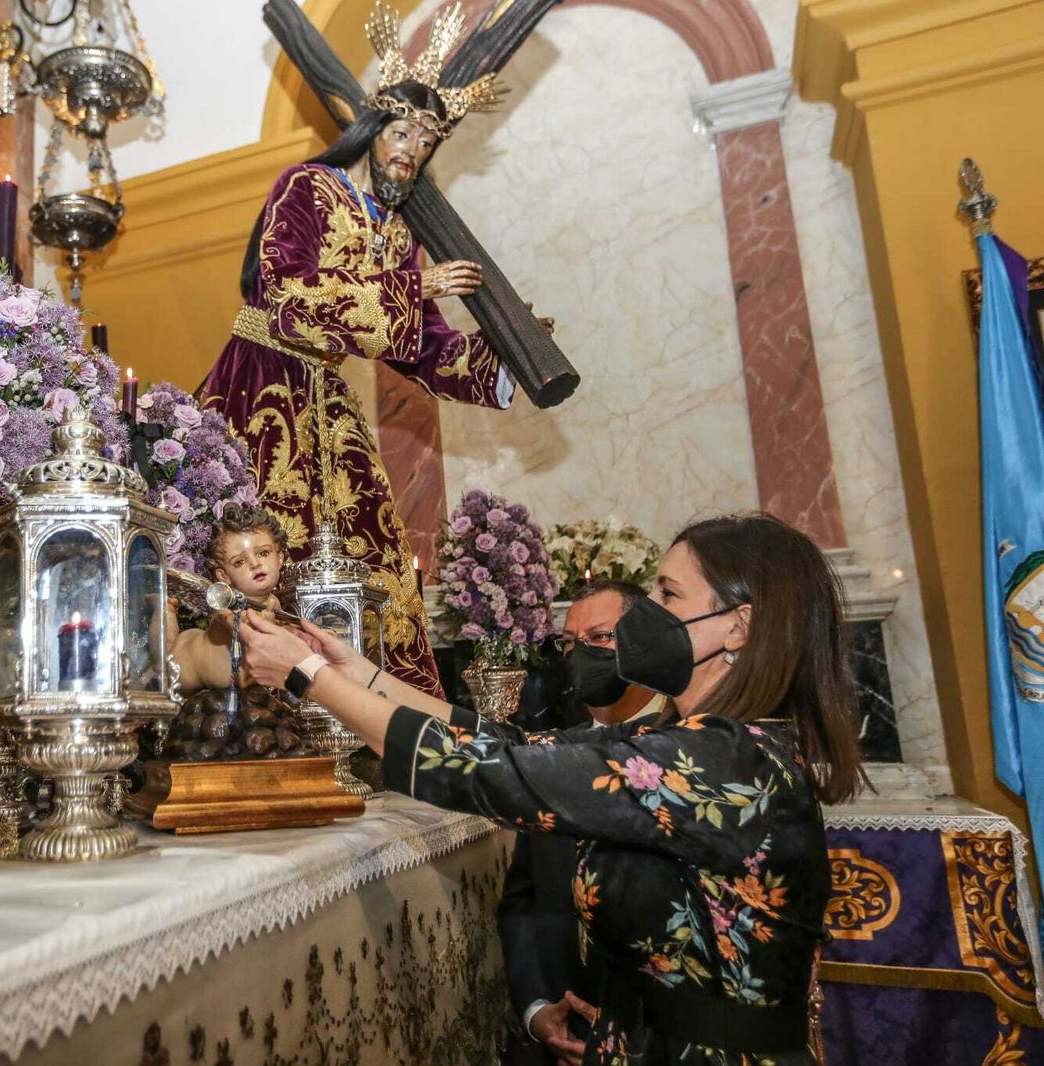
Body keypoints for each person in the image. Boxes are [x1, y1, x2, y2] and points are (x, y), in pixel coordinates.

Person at [240, 513, 865, 1064]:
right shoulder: (681, 739)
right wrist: (360, 674)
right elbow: (508, 743)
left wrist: (309, 678)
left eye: (667, 593)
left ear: (738, 627)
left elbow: (496, 771)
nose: (645, 612)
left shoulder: (727, 760)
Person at [196, 4, 508, 698]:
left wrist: (503, 359)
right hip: (263, 381)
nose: (411, 151)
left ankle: (373, 711)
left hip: (329, 401)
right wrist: (416, 286)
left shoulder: (398, 233)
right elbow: (287, 294)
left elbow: (422, 344)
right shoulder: (307, 187)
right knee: (259, 541)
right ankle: (256, 702)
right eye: (402, 133)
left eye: (426, 143)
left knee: (374, 548)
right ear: (372, 130)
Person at [504, 580, 664, 1066]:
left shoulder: (685, 742)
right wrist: (537, 1010)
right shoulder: (550, 754)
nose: (581, 655)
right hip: (564, 1031)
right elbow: (523, 899)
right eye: (570, 644)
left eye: (599, 638)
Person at [170, 504, 289, 694]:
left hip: (243, 682)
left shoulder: (274, 602)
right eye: (239, 562)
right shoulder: (225, 602)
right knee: (165, 656)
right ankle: (167, 610)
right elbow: (225, 619)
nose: (255, 564)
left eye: (263, 553)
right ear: (223, 575)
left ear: (280, 558)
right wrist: (242, 621)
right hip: (185, 667)